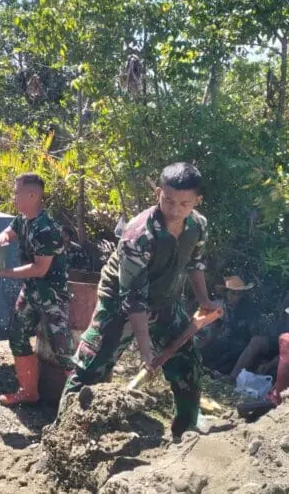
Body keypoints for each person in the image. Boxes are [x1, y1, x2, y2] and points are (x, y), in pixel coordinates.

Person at [62, 162, 219, 439]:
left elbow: (195, 263)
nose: (175, 209)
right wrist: (146, 352)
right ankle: (64, 434)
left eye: (184, 203)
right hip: (119, 304)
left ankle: (185, 432)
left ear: (197, 201)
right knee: (92, 368)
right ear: (158, 192)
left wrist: (205, 301)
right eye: (168, 200)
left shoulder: (198, 225)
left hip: (165, 301)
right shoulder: (138, 235)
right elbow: (133, 300)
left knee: (188, 366)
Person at [0, 173, 75, 406]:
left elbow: (39, 269)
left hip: (52, 295)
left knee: (63, 350)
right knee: (18, 335)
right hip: (31, 292)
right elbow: (9, 232)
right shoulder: (23, 219)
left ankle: (79, 402)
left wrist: (1, 272)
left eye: (17, 193)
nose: (14, 197)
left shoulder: (47, 229)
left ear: (32, 195)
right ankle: (28, 391)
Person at [230, 273, 289, 380]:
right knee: (257, 341)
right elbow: (279, 325)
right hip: (280, 341)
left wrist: (271, 364)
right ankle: (232, 377)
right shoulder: (287, 301)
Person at [200, 275, 259, 376]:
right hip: (217, 341)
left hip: (236, 346)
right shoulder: (216, 305)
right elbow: (208, 330)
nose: (235, 297)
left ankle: (217, 371)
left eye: (238, 294)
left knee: (239, 350)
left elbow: (252, 332)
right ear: (226, 293)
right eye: (232, 293)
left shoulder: (248, 309)